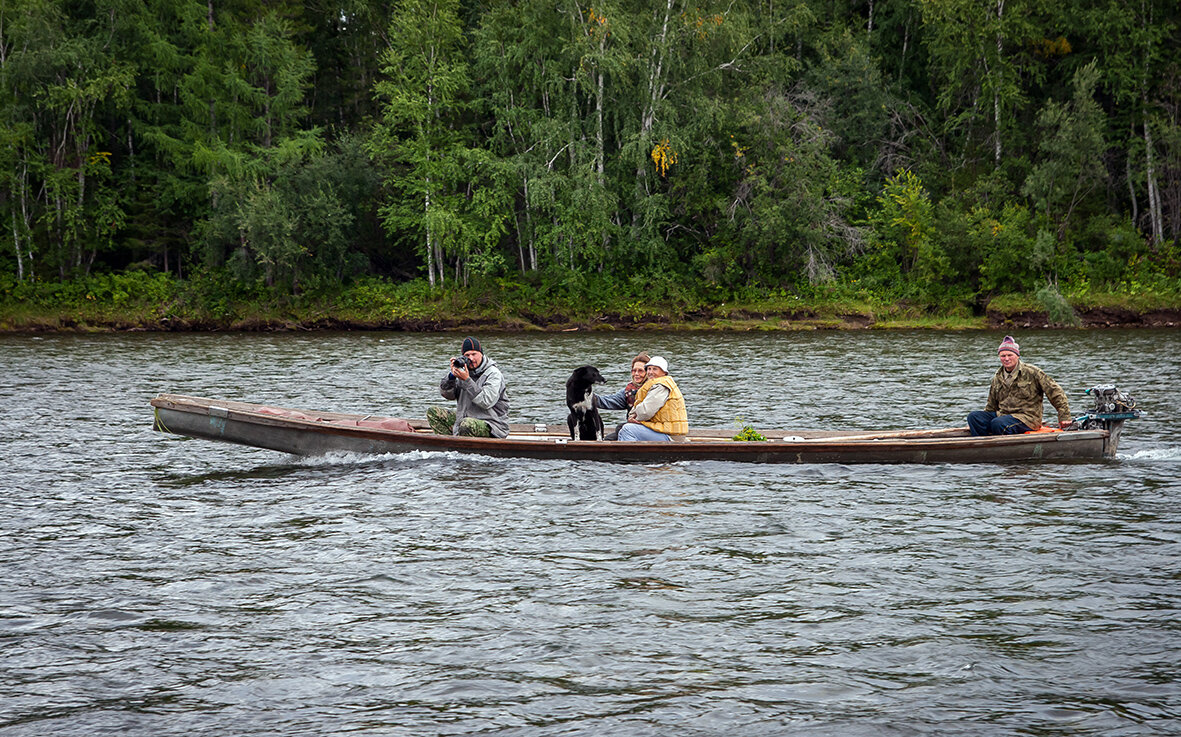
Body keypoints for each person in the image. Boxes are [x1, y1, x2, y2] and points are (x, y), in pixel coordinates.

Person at [966, 335, 1072, 436]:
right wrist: (981, 422)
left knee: (998, 423)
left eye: (1009, 355)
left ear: (1017, 356)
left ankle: (1003, 448)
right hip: (1002, 416)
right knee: (974, 417)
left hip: (1027, 418)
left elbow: (1055, 392)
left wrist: (1064, 416)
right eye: (1003, 356)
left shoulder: (1032, 372)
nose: (1006, 359)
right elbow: (991, 405)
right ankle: (984, 446)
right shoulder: (997, 377)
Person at [427, 336, 510, 438]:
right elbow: (448, 395)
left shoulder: (493, 374)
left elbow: (486, 401)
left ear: (481, 354)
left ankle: (462, 446)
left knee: (466, 424)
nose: (471, 358)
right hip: (464, 422)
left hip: (492, 426)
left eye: (474, 354)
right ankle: (451, 445)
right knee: (433, 413)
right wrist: (451, 377)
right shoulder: (462, 372)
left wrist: (467, 380)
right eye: (467, 355)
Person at [618, 356, 689, 442]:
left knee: (627, 430)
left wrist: (635, 418)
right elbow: (637, 409)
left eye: (655, 369)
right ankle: (627, 454)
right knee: (623, 430)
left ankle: (632, 455)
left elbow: (646, 412)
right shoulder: (653, 385)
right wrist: (632, 416)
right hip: (663, 431)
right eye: (649, 369)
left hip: (671, 436)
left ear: (664, 372)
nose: (651, 372)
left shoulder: (661, 386)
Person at [595, 351, 650, 441]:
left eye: (640, 371)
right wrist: (588, 396)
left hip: (652, 429)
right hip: (632, 427)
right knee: (608, 439)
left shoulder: (654, 389)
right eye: (634, 370)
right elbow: (608, 401)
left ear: (648, 372)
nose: (636, 374)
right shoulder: (629, 390)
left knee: (620, 428)